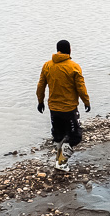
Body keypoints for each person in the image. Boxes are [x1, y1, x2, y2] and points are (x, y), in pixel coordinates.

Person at [36, 39, 90, 168]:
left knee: (58, 135)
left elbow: (41, 85)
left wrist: (40, 101)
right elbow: (81, 87)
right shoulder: (74, 67)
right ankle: (62, 162)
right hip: (69, 108)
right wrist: (86, 101)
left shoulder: (47, 66)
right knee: (75, 137)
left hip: (53, 108)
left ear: (57, 50)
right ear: (70, 50)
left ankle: (58, 162)